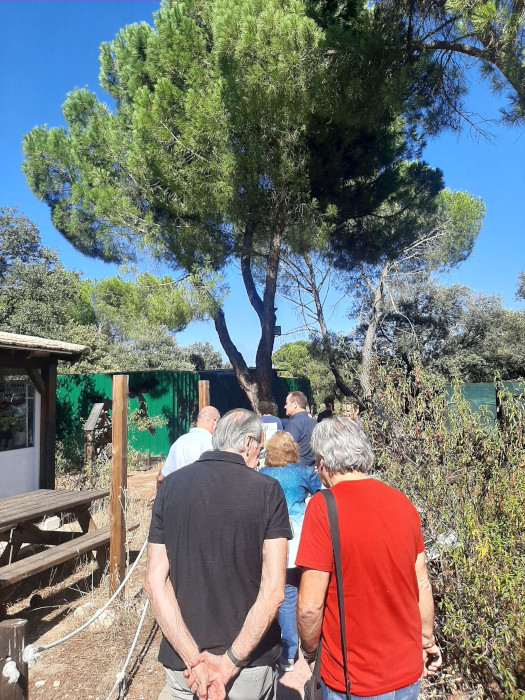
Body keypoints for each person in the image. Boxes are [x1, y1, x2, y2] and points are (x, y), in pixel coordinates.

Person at [145, 408, 291, 700]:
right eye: (259, 448)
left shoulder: (170, 486)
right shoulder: (268, 491)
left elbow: (154, 581)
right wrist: (228, 664)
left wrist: (193, 658)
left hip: (185, 668)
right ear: (248, 443)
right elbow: (274, 590)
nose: (258, 457)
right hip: (248, 664)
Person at [296, 417, 442, 699]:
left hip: (353, 680)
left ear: (323, 462)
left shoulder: (323, 507)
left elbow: (309, 608)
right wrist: (427, 641)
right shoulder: (402, 503)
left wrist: (310, 651)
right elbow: (422, 584)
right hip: (407, 674)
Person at [259, 431, 321, 673]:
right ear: (293, 450)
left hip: (270, 539)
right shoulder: (303, 473)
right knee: (294, 593)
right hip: (299, 540)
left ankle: (284, 650)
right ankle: (291, 651)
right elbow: (322, 494)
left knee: (279, 592)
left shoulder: (262, 475)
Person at [157, 406, 220, 488]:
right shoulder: (212, 442)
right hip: (200, 497)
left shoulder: (179, 441)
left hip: (178, 496)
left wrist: (159, 495)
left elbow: (160, 478)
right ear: (215, 422)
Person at [284, 391, 317, 466]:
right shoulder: (314, 423)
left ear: (295, 405)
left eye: (286, 403)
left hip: (297, 471)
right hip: (313, 471)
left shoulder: (293, 424)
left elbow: (286, 450)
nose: (285, 407)